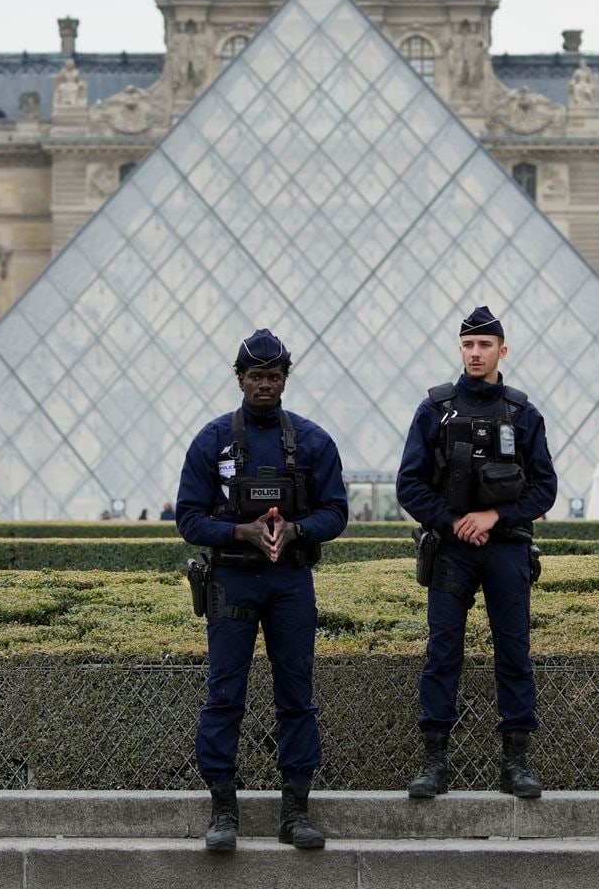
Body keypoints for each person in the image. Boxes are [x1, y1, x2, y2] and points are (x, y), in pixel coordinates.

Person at [176, 328, 348, 851]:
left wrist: (296, 530)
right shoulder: (211, 441)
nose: (265, 386)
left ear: (285, 379)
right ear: (240, 379)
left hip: (290, 580)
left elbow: (337, 512)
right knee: (224, 694)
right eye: (256, 377)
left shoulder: (315, 441)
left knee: (296, 695)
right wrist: (240, 532)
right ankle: (222, 810)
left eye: (274, 377)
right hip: (231, 578)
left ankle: (295, 810)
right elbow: (188, 517)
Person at [396, 305, 557, 800]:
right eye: (467, 345)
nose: (475, 353)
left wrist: (493, 518)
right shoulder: (434, 411)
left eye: (484, 345)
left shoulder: (523, 413)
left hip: (506, 549)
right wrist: (454, 523)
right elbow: (410, 486)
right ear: (459, 349)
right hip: (451, 551)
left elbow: (544, 489)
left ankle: (516, 763)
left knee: (515, 652)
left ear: (502, 351)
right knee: (442, 652)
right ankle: (434, 762)